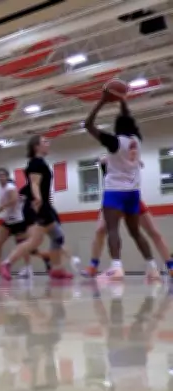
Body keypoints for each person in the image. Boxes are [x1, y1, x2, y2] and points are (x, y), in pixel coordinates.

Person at [83, 91, 157, 281]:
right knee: (136, 232)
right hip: (133, 192)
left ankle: (117, 267)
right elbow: (127, 117)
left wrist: (102, 102)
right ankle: (153, 268)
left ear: (117, 127)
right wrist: (122, 100)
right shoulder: (137, 141)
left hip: (115, 192)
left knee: (113, 230)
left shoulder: (114, 142)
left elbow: (88, 125)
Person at [81, 156, 173, 278]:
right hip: (114, 199)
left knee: (153, 232)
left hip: (130, 198)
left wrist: (133, 161)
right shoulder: (111, 157)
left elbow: (139, 163)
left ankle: (170, 266)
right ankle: (93, 266)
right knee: (100, 230)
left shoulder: (129, 157)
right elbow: (102, 160)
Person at [0, 136, 73, 280]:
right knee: (35, 241)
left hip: (43, 206)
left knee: (57, 236)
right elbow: (34, 183)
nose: (48, 143)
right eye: (45, 142)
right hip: (36, 206)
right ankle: (6, 264)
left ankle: (56, 269)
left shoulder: (40, 163)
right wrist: (38, 198)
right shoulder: (36, 163)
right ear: (36, 147)